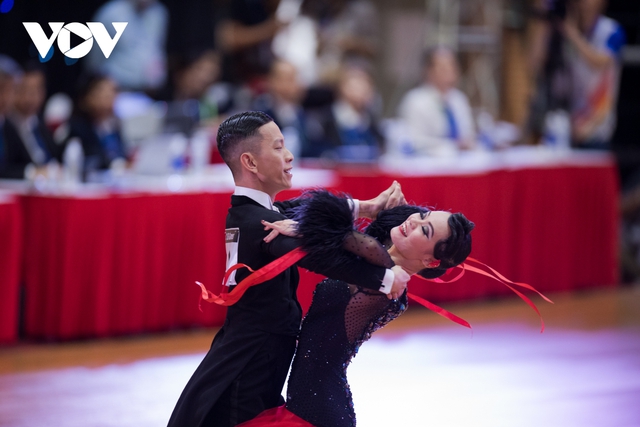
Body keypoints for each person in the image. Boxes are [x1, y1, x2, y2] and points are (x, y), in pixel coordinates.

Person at [167, 111, 409, 427]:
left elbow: (306, 207)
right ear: (251, 163)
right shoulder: (261, 224)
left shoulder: (253, 212)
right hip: (250, 368)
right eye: (279, 147)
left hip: (256, 355)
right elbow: (318, 256)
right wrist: (384, 278)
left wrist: (367, 207)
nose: (290, 156)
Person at [228, 189, 474, 427]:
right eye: (422, 215)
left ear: (430, 261)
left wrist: (304, 228)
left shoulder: (385, 278)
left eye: (425, 229)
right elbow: (341, 233)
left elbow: (333, 227)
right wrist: (382, 207)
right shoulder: (380, 264)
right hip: (313, 403)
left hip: (317, 412)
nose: (413, 221)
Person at [562, 0, 625, 148]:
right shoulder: (566, 31)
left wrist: (573, 36)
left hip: (598, 127)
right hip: (570, 125)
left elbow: (599, 62)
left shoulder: (612, 30)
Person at [397, 47, 476, 157]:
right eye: (443, 67)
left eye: (452, 65)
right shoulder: (415, 100)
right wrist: (451, 146)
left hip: (462, 163)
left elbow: (468, 134)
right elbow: (414, 141)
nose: (449, 70)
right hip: (429, 165)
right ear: (428, 71)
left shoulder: (459, 99)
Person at [85, 0, 169, 94]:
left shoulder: (159, 13)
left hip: (149, 91)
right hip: (118, 90)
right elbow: (95, 59)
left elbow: (156, 49)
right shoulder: (111, 13)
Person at [1, 62, 63, 179]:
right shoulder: (10, 125)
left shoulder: (39, 124)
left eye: (37, 89)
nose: (6, 98)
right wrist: (32, 172)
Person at [59, 73, 128, 175]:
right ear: (86, 97)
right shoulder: (77, 128)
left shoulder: (114, 124)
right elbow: (90, 161)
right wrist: (116, 165)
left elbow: (122, 155)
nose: (109, 98)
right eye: (102, 93)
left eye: (112, 92)